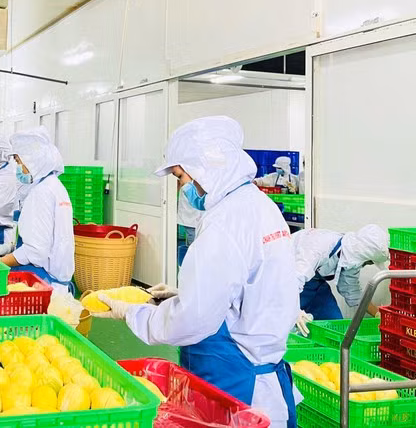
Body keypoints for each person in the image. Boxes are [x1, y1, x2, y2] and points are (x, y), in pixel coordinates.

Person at [94, 116, 299, 428]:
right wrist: (180, 295)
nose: (182, 187)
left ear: (205, 169)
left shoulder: (224, 221)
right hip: (262, 370)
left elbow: (193, 320)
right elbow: (246, 287)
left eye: (181, 176)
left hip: (234, 382)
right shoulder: (257, 205)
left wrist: (132, 313)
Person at [0, 129, 75, 292]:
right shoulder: (55, 186)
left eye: (19, 161)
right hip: (57, 282)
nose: (18, 167)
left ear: (32, 161)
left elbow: (35, 252)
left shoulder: (40, 192)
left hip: (41, 281)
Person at [294, 225, 389, 331]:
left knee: (335, 328)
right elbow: (294, 280)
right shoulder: (318, 247)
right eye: (368, 262)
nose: (366, 264)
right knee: (288, 330)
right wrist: (294, 311)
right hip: (287, 287)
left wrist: (377, 313)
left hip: (316, 285)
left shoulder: (350, 261)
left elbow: (352, 293)